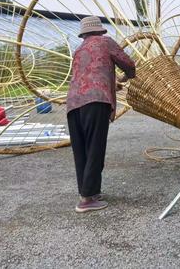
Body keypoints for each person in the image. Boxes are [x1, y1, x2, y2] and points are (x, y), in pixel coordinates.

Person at [66, 16, 136, 213]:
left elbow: (89, 73)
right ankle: (87, 200)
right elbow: (128, 64)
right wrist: (127, 76)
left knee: (81, 149)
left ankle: (88, 192)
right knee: (95, 147)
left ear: (84, 33)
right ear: (99, 31)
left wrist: (113, 80)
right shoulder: (106, 42)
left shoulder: (78, 50)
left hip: (73, 102)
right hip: (95, 100)